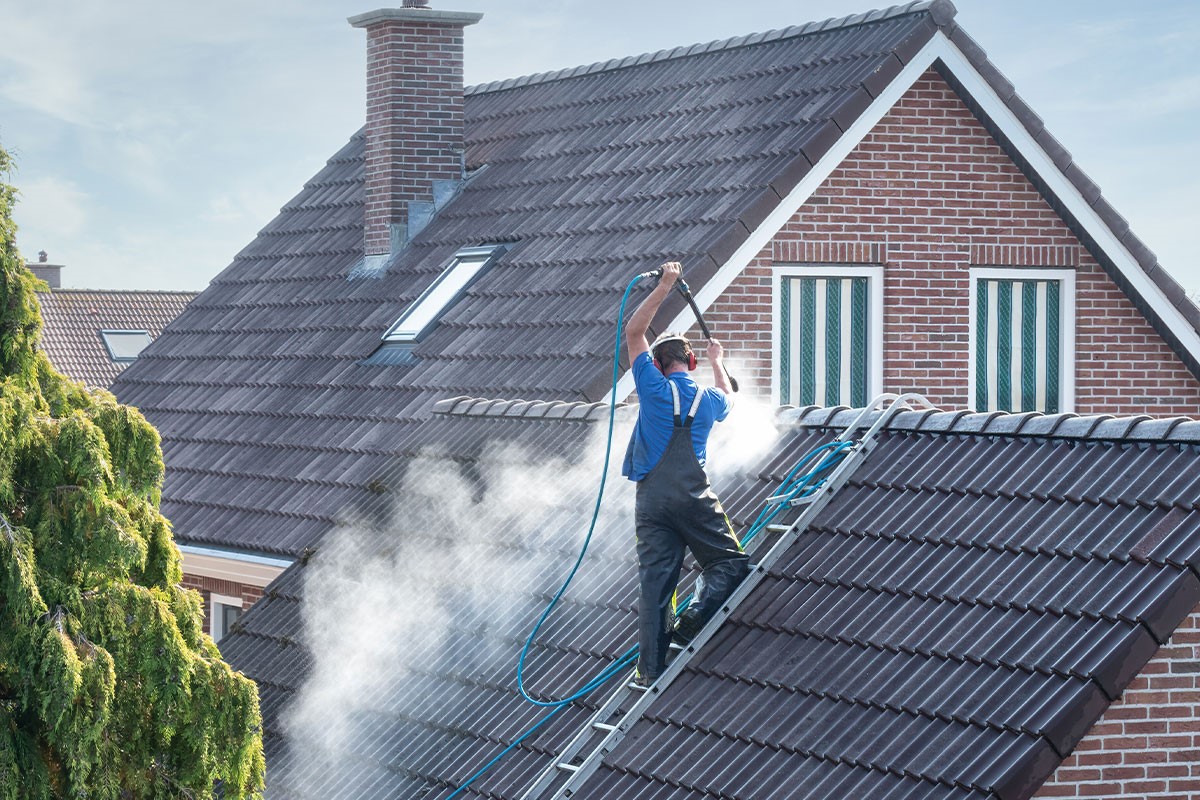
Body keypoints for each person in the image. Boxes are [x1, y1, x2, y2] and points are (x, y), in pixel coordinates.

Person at [622, 261, 750, 686]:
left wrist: (665, 286)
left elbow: (634, 332)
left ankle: (649, 671)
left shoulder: (652, 388)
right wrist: (719, 360)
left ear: (656, 366)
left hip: (652, 502)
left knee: (656, 586)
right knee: (729, 563)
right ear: (690, 362)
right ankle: (693, 620)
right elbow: (730, 395)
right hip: (694, 498)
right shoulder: (710, 399)